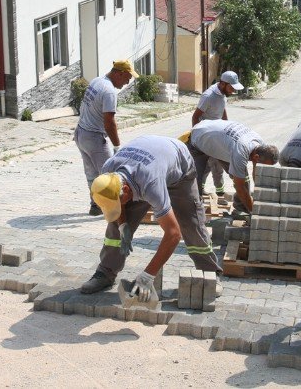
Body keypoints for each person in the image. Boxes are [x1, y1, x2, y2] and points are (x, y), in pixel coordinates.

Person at [79, 135, 223, 296]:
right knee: (114, 227)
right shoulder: (107, 173)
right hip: (148, 161)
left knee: (191, 224)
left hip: (179, 168)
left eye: (118, 202)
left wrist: (148, 275)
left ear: (126, 190)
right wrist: (122, 225)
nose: (117, 207)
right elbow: (117, 205)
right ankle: (105, 272)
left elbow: (173, 234)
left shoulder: (150, 185)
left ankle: (210, 273)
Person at [75, 60, 137, 215]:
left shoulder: (97, 81)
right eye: (127, 78)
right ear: (119, 73)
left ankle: (95, 205)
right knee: (111, 175)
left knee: (91, 173)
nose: (127, 83)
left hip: (81, 133)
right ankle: (117, 209)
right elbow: (109, 122)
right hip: (94, 137)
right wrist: (117, 146)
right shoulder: (109, 91)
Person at [182, 119, 278, 213]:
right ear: (256, 157)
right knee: (194, 180)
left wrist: (260, 192)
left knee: (244, 180)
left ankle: (241, 209)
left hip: (220, 142)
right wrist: (254, 212)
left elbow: (256, 172)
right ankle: (193, 212)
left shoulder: (260, 145)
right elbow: (239, 187)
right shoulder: (240, 152)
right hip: (199, 137)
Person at [191, 71, 245, 198]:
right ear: (222, 84)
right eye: (231, 88)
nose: (232, 91)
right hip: (207, 137)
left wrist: (226, 126)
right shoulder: (208, 96)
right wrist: (196, 139)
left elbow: (223, 108)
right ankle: (207, 192)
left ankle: (211, 191)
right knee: (212, 165)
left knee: (211, 166)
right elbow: (195, 117)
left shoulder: (223, 93)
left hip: (218, 134)